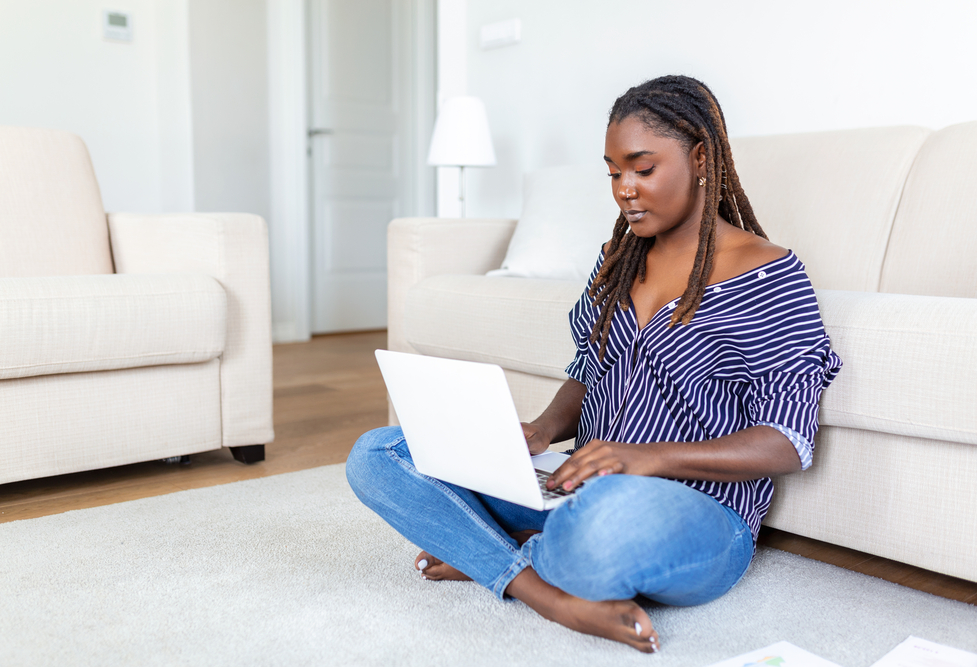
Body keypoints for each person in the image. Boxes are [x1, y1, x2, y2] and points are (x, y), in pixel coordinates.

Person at [347, 75, 842, 653]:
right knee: (377, 455)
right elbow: (588, 370)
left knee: (598, 524)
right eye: (613, 171)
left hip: (698, 513)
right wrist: (540, 430)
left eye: (642, 168)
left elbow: (788, 442)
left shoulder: (770, 275)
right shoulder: (617, 261)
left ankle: (493, 549)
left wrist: (644, 459)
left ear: (701, 158)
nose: (624, 189)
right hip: (574, 483)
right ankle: (542, 589)